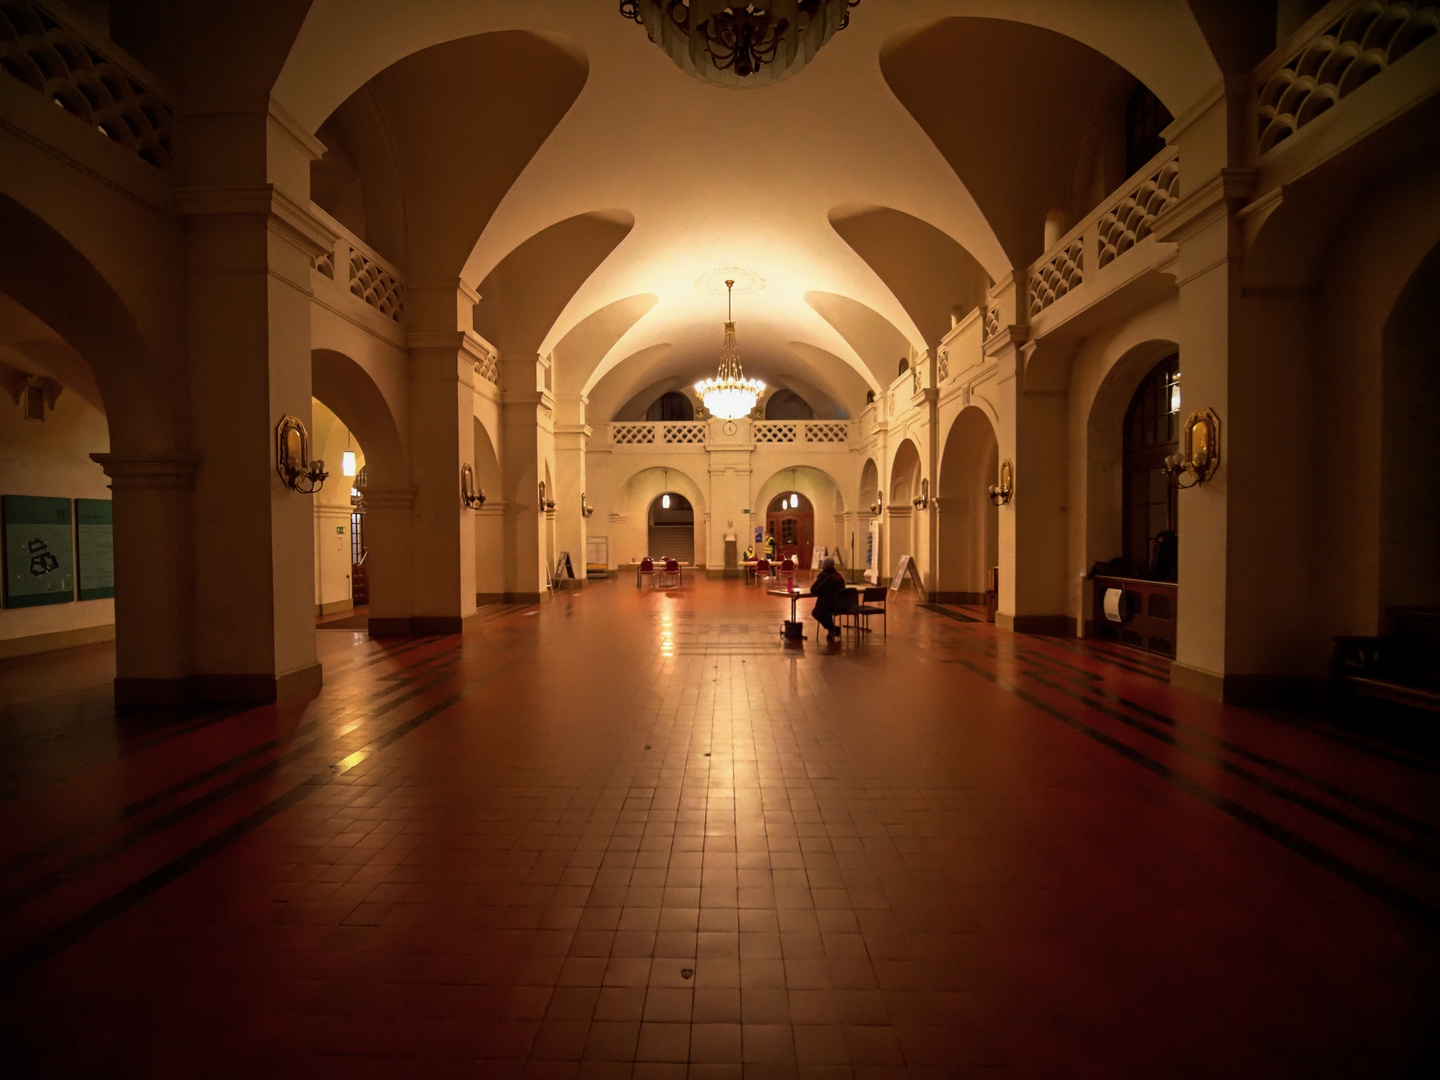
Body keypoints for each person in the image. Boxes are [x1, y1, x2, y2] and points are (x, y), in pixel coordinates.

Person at [809, 556, 847, 642]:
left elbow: (814, 590)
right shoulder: (838, 576)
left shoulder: (825, 576)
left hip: (829, 605)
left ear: (824, 566)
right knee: (825, 611)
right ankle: (832, 629)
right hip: (841, 605)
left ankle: (833, 629)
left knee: (816, 612)